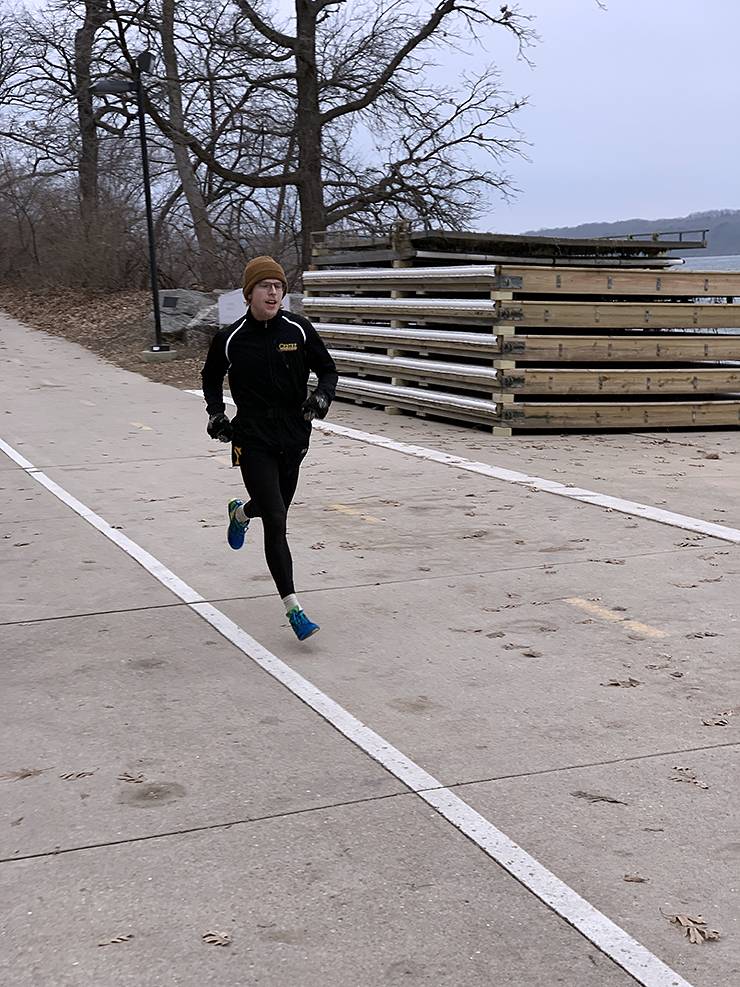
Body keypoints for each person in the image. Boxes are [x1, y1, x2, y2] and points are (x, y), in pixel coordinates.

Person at [200, 256, 338, 640]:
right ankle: (294, 608)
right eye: (265, 286)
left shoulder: (299, 329)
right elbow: (211, 376)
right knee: (277, 520)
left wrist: (322, 397)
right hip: (252, 438)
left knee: (270, 505)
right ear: (249, 294)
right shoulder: (230, 338)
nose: (274, 292)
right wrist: (215, 413)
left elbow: (328, 370)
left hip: (294, 437)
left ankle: (241, 513)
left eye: (278, 286)